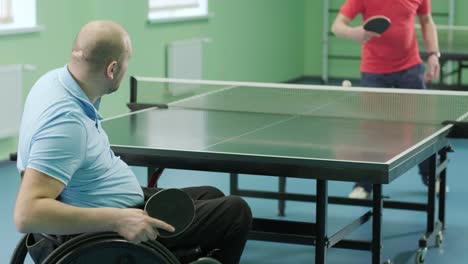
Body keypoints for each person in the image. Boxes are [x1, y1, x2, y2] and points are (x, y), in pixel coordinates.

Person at [14, 20, 252, 264]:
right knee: (235, 213)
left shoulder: (53, 82)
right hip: (105, 235)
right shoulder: (66, 124)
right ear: (112, 68)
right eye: (127, 62)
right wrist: (118, 219)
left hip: (106, 204)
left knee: (210, 194)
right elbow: (27, 214)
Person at [331, 0, 444, 199]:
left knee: (422, 127)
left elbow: (426, 20)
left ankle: (431, 176)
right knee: (372, 129)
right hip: (374, 71)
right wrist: (352, 33)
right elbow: (337, 25)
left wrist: (434, 54)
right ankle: (364, 184)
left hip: (410, 68)